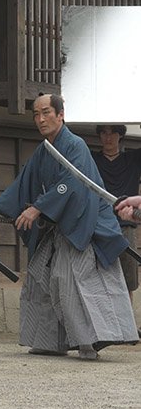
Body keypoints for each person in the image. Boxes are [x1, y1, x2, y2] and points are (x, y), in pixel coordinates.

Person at [0, 94, 138, 360]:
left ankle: (89, 342)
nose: (40, 119)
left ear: (61, 115)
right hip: (58, 227)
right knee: (40, 278)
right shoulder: (44, 149)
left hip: (83, 227)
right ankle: (49, 341)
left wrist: (38, 208)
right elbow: (24, 181)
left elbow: (73, 184)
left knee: (69, 281)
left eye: (46, 113)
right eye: (36, 114)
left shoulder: (75, 145)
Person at [91, 125, 141, 305]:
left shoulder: (133, 159)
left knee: (127, 281)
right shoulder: (91, 159)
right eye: (104, 132)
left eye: (112, 132)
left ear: (120, 135)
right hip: (99, 226)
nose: (108, 137)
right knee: (98, 281)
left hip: (126, 226)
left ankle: (128, 329)